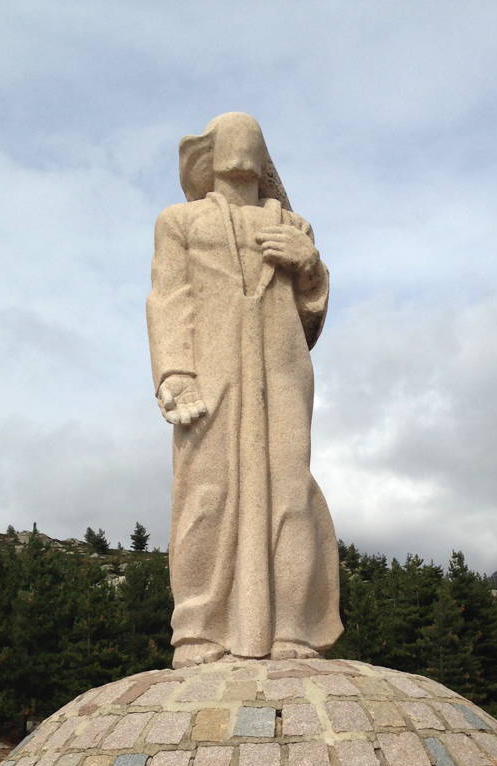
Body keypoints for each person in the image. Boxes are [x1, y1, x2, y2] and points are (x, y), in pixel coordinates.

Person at [147, 112, 342, 668]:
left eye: (250, 133)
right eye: (227, 132)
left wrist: (310, 270)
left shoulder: (294, 226)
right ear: (204, 157)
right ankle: (199, 632)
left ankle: (293, 630)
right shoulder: (179, 221)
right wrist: (175, 373)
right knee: (204, 496)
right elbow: (168, 299)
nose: (241, 138)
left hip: (282, 371)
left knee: (289, 494)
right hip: (210, 371)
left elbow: (309, 322)